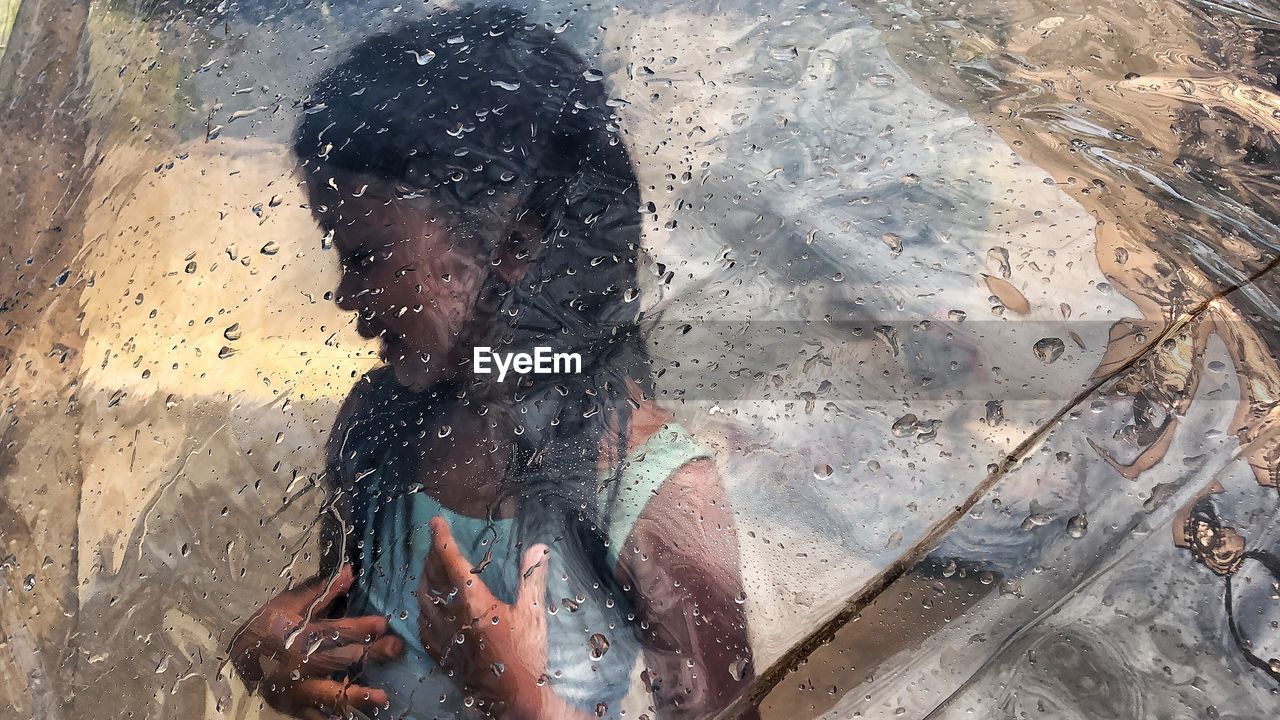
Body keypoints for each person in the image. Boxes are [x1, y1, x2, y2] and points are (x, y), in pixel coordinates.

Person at [227, 5, 756, 719]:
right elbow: (349, 620)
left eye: (367, 255)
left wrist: (521, 704)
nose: (345, 294)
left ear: (513, 245)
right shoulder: (377, 431)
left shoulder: (650, 489)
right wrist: (275, 651)